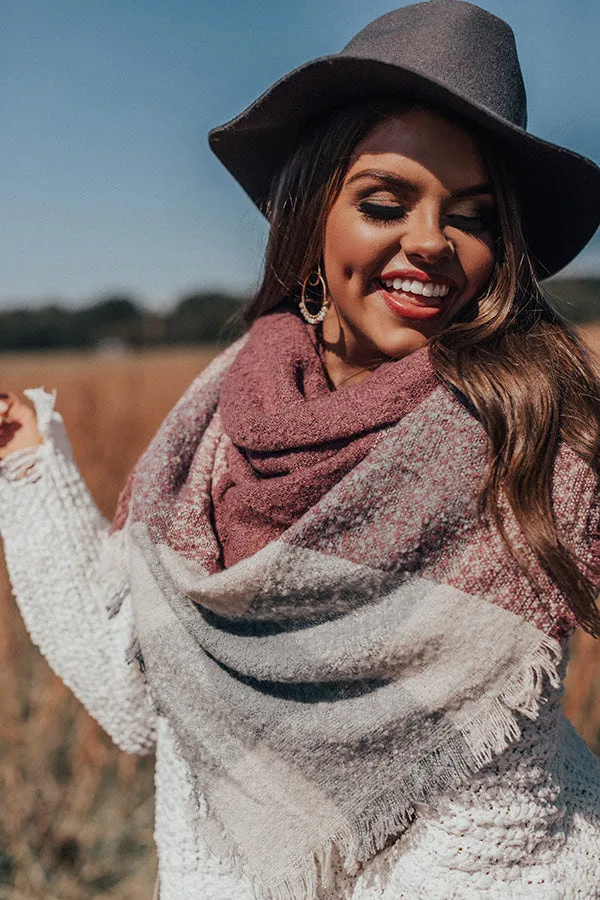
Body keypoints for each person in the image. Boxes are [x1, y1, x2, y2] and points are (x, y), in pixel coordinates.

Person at [1, 1, 600, 898]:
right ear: (312, 213)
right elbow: (137, 695)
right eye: (386, 202)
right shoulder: (212, 426)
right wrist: (24, 463)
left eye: (470, 217)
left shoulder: (536, 428)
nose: (431, 243)